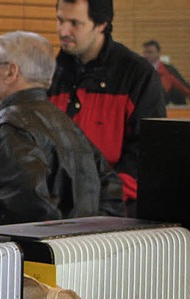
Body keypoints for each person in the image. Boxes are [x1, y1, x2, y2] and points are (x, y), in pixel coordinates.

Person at [0, 31, 125, 228]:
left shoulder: (9, 127)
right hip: (78, 254)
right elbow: (111, 189)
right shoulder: (66, 124)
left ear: (11, 72)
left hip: (18, 257)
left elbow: (28, 216)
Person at [48, 0, 166, 217]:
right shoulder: (52, 74)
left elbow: (146, 154)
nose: (63, 31)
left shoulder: (137, 74)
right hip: (60, 215)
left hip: (116, 216)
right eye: (60, 20)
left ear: (101, 24)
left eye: (75, 23)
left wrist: (103, 201)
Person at [142, 40, 190, 105]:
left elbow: (183, 87)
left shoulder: (168, 70)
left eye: (150, 52)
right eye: (145, 52)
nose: (147, 55)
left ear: (158, 53)